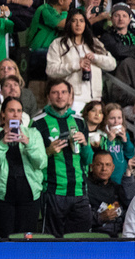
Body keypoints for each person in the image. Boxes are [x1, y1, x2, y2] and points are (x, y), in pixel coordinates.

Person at [32, 78, 94, 237]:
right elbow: (32, 161)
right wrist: (48, 151)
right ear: (48, 97)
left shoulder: (80, 122)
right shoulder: (37, 123)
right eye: (55, 92)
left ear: (70, 96)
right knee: (52, 241)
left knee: (80, 241)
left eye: (64, 92)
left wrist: (85, 144)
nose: (60, 96)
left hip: (79, 191)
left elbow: (88, 160)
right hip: (53, 191)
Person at [0, 96, 46, 238]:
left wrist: (28, 144)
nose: (16, 114)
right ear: (3, 114)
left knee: (26, 241)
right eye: (11, 110)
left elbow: (42, 163)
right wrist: (2, 144)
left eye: (19, 111)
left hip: (29, 196)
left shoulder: (33, 134)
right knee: (4, 240)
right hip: (2, 197)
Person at [45, 9, 116, 112]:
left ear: (85, 24)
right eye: (74, 21)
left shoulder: (94, 42)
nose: (78, 24)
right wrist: (76, 65)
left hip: (95, 99)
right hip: (73, 100)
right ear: (69, 23)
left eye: (81, 21)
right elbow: (51, 70)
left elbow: (112, 64)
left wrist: (96, 57)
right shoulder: (58, 44)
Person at [86, 151, 126, 237]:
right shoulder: (84, 187)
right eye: (99, 164)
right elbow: (77, 217)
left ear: (113, 168)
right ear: (91, 167)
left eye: (108, 165)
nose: (104, 169)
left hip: (118, 236)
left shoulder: (117, 188)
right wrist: (100, 217)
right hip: (93, 237)